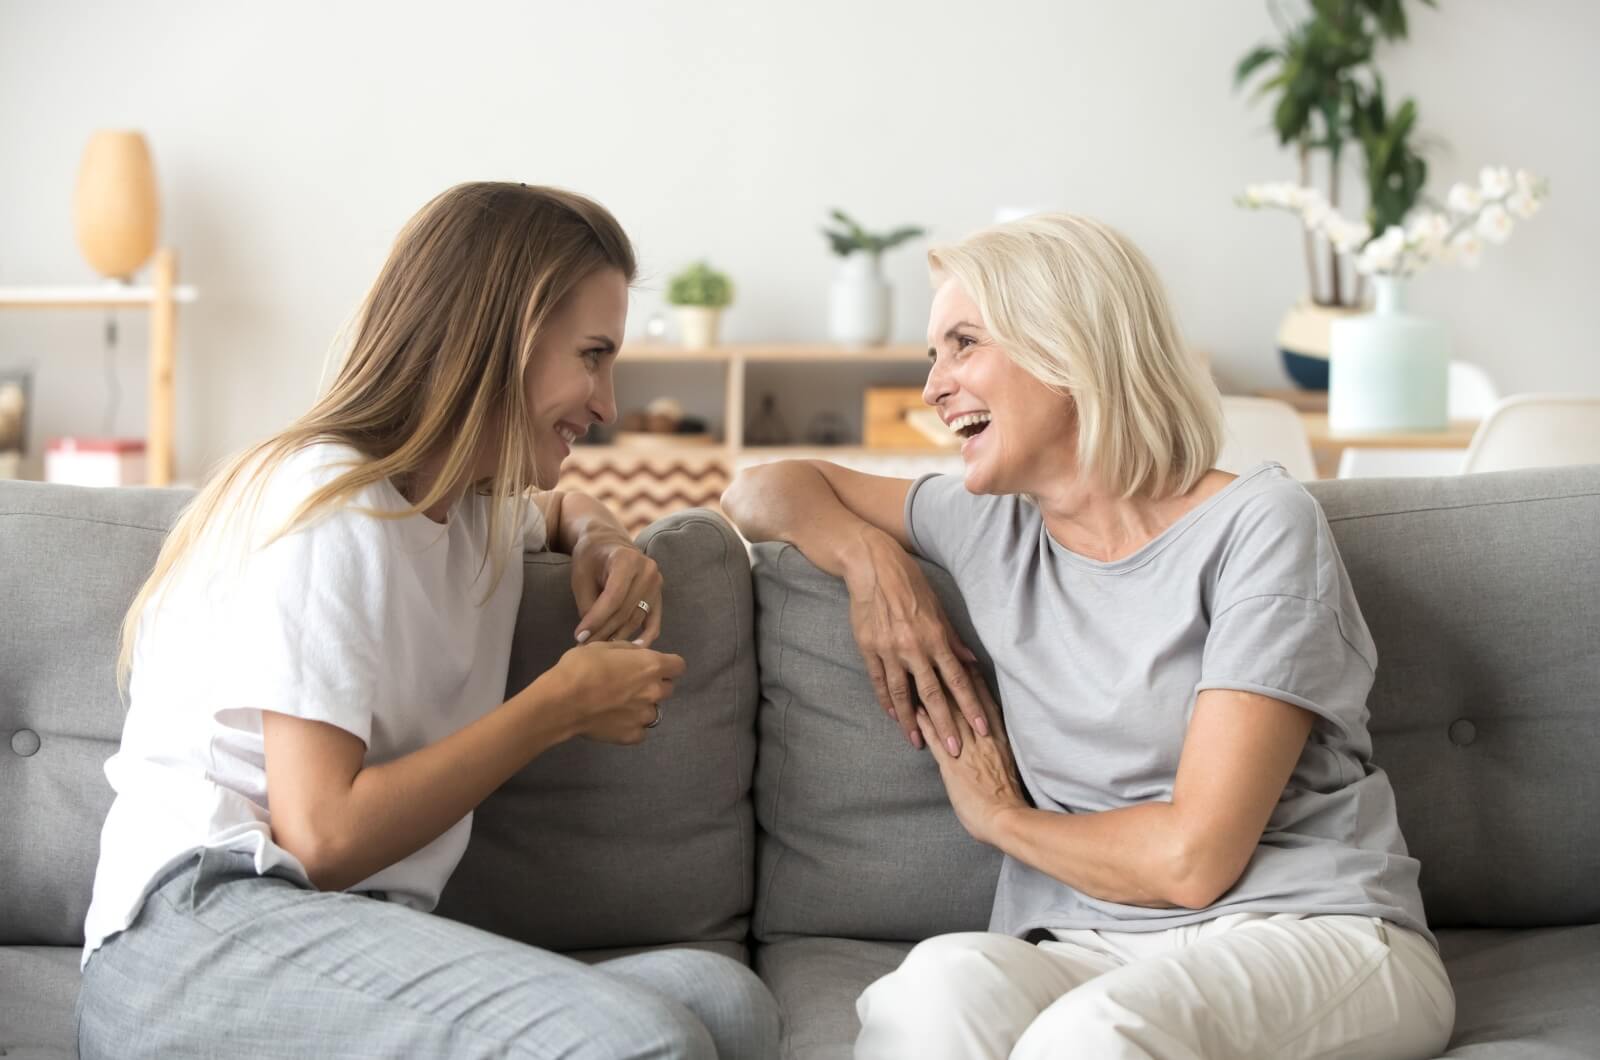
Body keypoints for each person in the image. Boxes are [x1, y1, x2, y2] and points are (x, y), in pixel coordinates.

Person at [722, 213, 1454, 1060]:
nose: (932, 386)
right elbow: (763, 489)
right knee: (930, 992)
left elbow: (1193, 859)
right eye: (934, 355)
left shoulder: (1259, 524)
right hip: (1087, 949)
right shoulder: (986, 526)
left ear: (1066, 350)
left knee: (1093, 1038)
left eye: (963, 344)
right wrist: (872, 567)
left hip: (1311, 932)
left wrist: (999, 818)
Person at [76, 182, 779, 1060]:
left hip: (339, 932)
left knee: (727, 1003)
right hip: (199, 933)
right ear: (498, 341)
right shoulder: (327, 503)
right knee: (643, 1041)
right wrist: (557, 708)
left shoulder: (468, 504)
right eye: (592, 356)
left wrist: (600, 535)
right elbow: (321, 835)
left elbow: (555, 512)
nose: (606, 403)